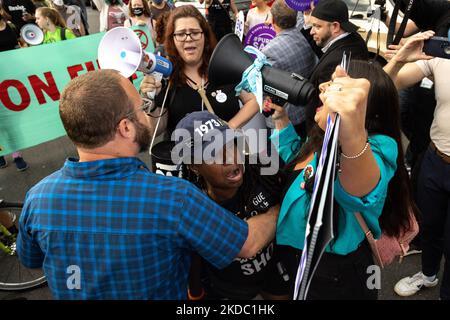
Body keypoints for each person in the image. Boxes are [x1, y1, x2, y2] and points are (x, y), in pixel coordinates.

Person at [16, 69, 279, 300]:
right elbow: (248, 243)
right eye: (141, 107)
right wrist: (278, 209)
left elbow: (31, 259)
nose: (145, 113)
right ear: (126, 128)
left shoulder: (37, 198)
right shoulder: (173, 198)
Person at [267, 60, 416, 299]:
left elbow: (360, 193)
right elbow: (298, 160)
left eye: (336, 87)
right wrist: (281, 120)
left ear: (359, 108)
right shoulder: (323, 134)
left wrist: (352, 131)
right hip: (299, 253)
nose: (323, 88)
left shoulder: (376, 148)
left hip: (335, 271)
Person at [173, 111, 289, 300]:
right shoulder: (190, 204)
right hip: (227, 290)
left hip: (274, 274)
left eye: (230, 144)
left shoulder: (264, 169)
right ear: (194, 166)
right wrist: (196, 293)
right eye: (213, 153)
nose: (230, 158)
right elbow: (192, 259)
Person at [383, 31, 450, 300]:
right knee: (429, 227)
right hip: (436, 160)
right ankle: (429, 275)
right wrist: (400, 58)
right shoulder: (442, 56)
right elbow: (385, 84)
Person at [140, 5, 259, 135]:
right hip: (182, 154)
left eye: (195, 33)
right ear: (172, 39)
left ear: (205, 36)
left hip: (229, 152)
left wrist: (230, 128)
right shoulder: (165, 76)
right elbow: (155, 130)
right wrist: (150, 101)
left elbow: (253, 101)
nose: (188, 38)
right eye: (180, 34)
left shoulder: (224, 66)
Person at [301, 0, 368, 130]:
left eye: (317, 26)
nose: (311, 31)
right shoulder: (351, 39)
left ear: (335, 27)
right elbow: (322, 48)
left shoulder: (335, 63)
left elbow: (326, 109)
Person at [261, 0, 317, 139]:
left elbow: (262, 86)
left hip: (285, 119)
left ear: (273, 20)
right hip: (307, 110)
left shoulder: (269, 51)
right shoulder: (307, 37)